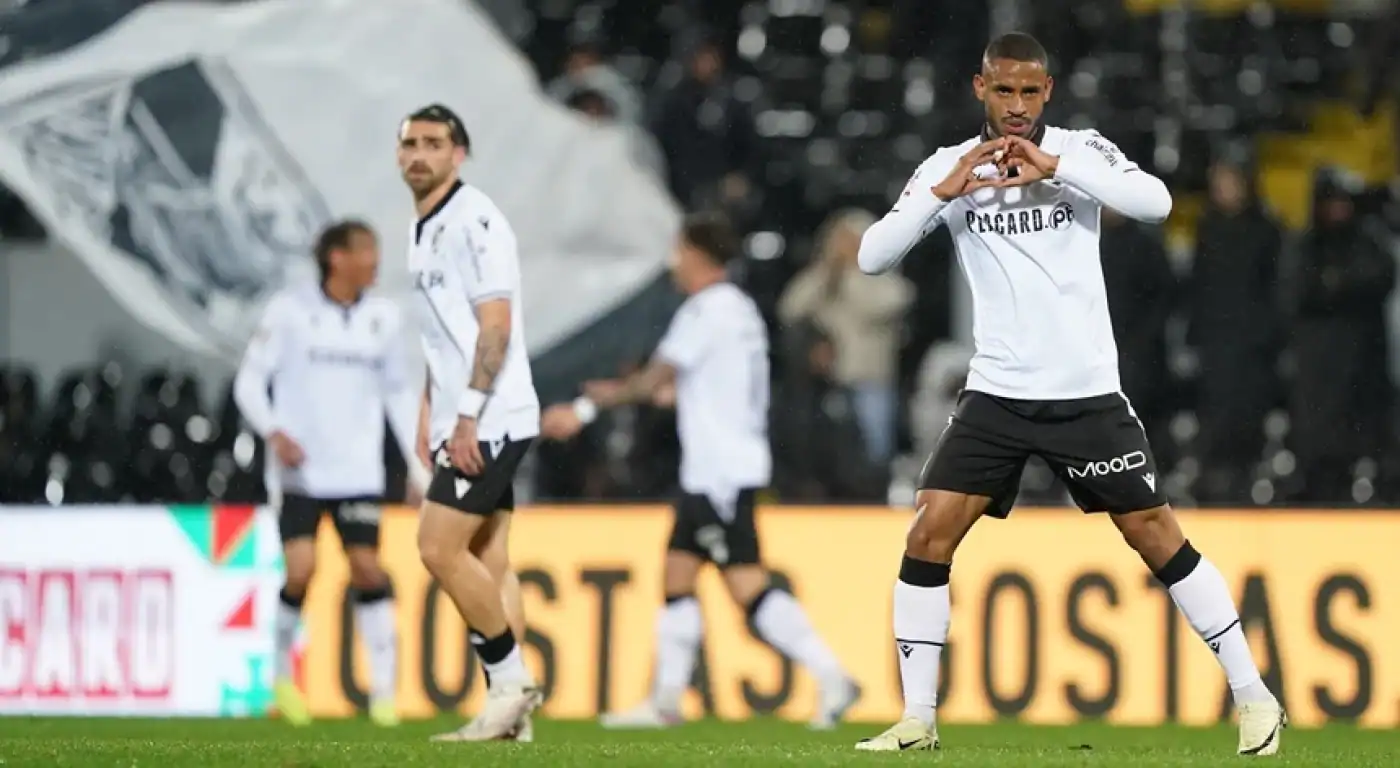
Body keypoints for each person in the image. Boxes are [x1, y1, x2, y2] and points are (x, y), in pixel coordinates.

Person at [852, 33, 1285, 755]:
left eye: (1029, 92)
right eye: (1003, 91)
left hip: (1084, 393)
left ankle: (1254, 697)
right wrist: (944, 190)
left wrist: (1058, 167)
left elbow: (1156, 201)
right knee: (928, 530)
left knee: (1155, 535)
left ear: (1047, 91)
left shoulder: (1081, 151)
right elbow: (871, 257)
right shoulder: (948, 168)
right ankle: (917, 719)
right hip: (995, 394)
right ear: (978, 88)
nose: (1017, 106)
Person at [539, 212, 862, 730]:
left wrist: (582, 410)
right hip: (717, 471)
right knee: (677, 577)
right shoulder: (739, 310)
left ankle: (833, 677)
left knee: (746, 588)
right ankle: (665, 701)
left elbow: (654, 380)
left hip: (719, 475)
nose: (672, 261)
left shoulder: (706, 310)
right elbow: (684, 386)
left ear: (695, 254)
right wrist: (656, 392)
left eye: (677, 250)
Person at [233, 220, 430, 728]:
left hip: (359, 471)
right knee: (301, 570)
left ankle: (384, 694)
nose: (375, 262)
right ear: (336, 258)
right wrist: (274, 431)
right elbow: (248, 383)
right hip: (300, 471)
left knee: (368, 568)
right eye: (367, 251)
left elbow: (398, 395)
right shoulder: (290, 311)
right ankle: (282, 680)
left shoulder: (384, 319)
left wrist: (416, 464)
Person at [397, 104, 541, 742]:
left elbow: (495, 327)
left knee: (436, 546)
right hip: (465, 415)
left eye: (432, 143)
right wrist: (431, 411)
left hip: (490, 417)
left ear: (459, 154)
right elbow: (442, 336)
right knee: (490, 557)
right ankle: (510, 717)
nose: (417, 155)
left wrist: (465, 417)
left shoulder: (472, 219)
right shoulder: (423, 225)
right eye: (408, 144)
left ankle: (510, 685)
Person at [778, 208, 914, 464]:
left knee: (875, 448)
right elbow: (790, 308)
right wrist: (827, 270)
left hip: (869, 379)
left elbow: (878, 306)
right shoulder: (826, 277)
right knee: (825, 450)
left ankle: (876, 494)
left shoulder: (887, 280)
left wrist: (855, 267)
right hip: (826, 380)